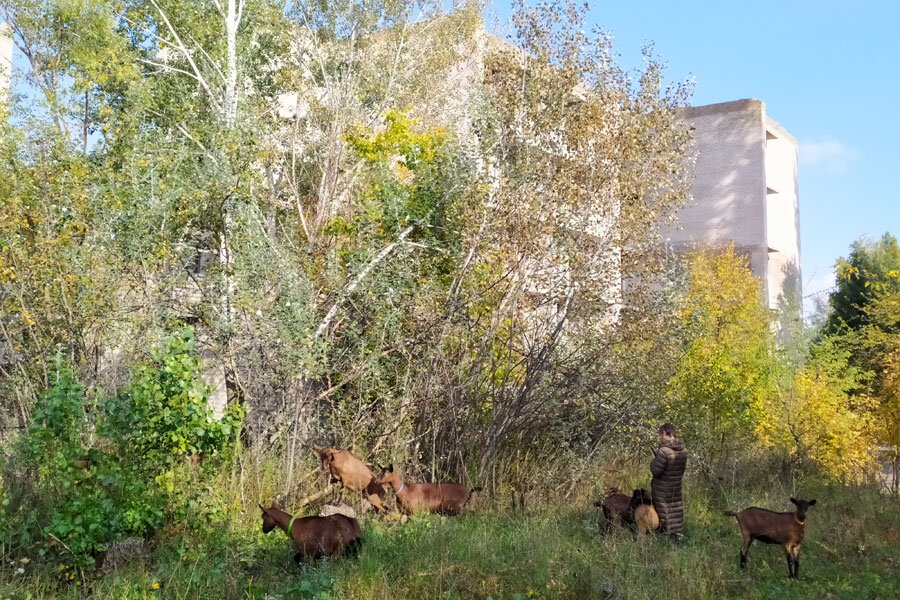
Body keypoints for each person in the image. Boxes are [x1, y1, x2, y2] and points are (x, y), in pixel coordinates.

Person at [650, 423, 687, 543]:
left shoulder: (664, 451)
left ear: (665, 433)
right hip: (675, 487)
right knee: (676, 511)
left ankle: (665, 539)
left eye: (661, 435)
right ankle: (677, 536)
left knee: (664, 513)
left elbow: (656, 471)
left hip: (662, 489)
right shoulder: (683, 450)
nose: (660, 438)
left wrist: (653, 460)